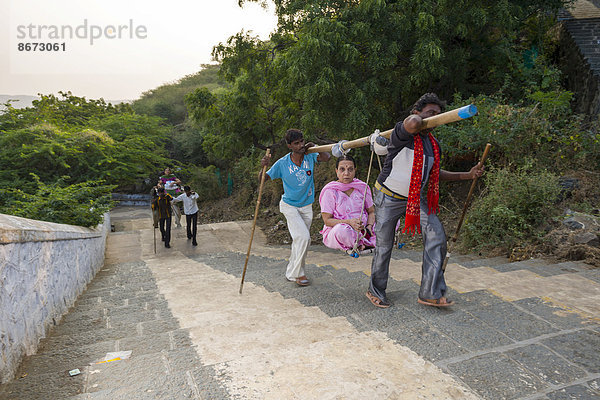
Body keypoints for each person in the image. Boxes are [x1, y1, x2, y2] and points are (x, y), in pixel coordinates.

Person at [366, 93, 484, 308]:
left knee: (436, 235)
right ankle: (376, 290)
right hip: (388, 196)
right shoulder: (402, 133)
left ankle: (429, 292)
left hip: (415, 198)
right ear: (416, 112)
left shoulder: (432, 144)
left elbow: (434, 174)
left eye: (439, 116)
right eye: (431, 113)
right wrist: (422, 119)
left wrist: (467, 175)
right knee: (384, 246)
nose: (435, 119)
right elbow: (412, 124)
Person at [260, 129, 331, 286]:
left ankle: (291, 273)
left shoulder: (310, 155)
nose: (300, 145)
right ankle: (298, 274)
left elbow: (326, 157)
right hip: (289, 206)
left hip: (306, 206)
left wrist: (316, 146)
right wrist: (263, 166)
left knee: (300, 241)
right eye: (296, 143)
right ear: (289, 146)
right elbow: (263, 178)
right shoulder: (283, 163)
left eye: (302, 141)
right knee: (304, 238)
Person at [319, 154, 376, 253]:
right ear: (336, 171)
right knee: (342, 231)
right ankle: (361, 243)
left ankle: (364, 240)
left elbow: (371, 212)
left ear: (355, 170)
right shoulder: (331, 191)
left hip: (364, 229)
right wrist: (349, 222)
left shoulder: (362, 187)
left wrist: (369, 226)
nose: (346, 173)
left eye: (350, 169)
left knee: (391, 221)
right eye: (342, 169)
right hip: (342, 229)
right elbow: (327, 221)